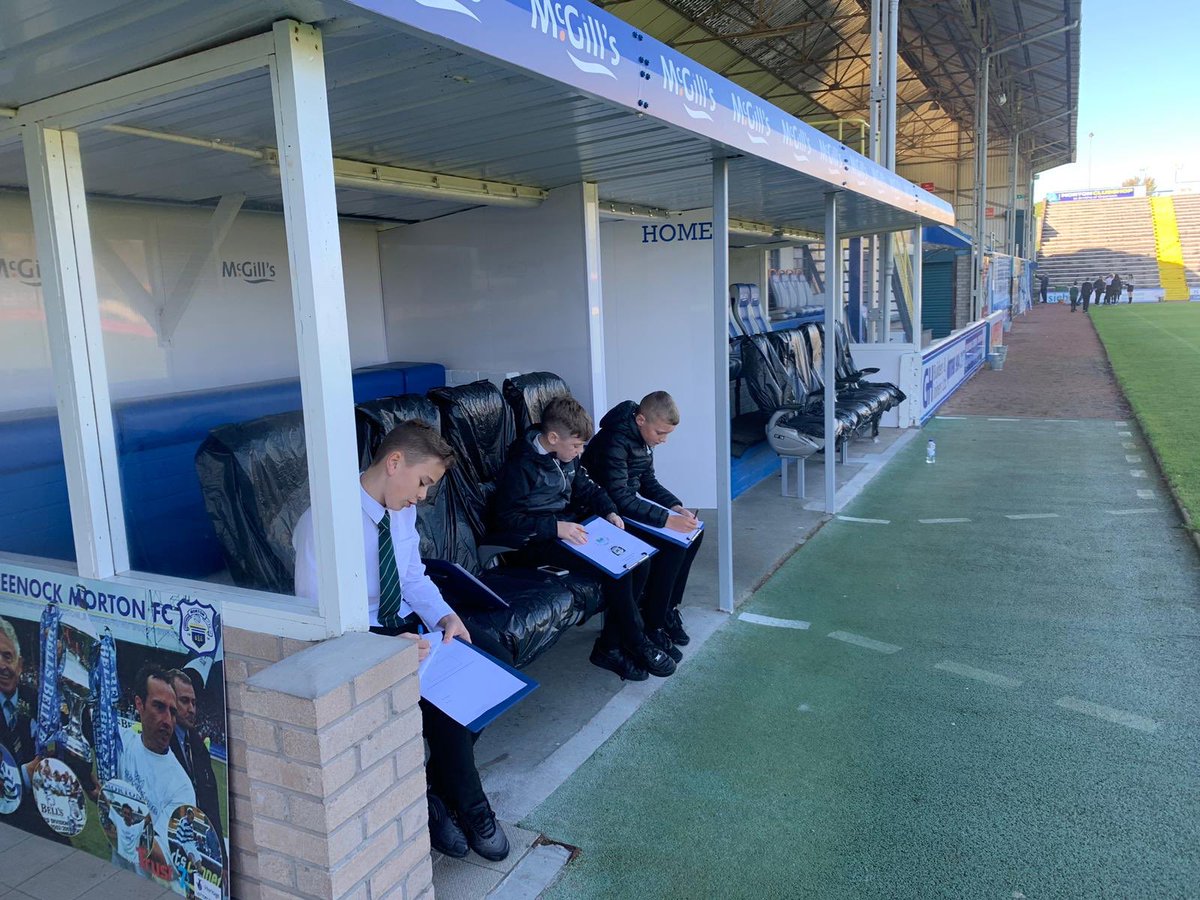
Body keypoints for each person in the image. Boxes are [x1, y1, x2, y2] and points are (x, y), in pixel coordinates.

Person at [293, 420, 509, 862]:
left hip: (403, 619)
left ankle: (434, 791)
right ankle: (471, 806)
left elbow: (411, 576)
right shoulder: (326, 519)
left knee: (494, 658)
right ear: (394, 462)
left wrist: (446, 616)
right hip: (359, 633)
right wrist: (385, 648)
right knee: (446, 701)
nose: (423, 496)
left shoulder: (400, 508)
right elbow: (315, 613)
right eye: (423, 482)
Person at [490, 397, 673, 682]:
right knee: (617, 569)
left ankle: (611, 646)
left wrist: (610, 511)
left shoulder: (567, 457)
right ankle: (636, 641)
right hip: (531, 543)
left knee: (639, 560)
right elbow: (505, 520)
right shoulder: (520, 466)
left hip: (566, 528)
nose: (580, 452)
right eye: (576, 446)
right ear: (553, 438)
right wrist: (555, 527)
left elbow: (588, 488)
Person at [582, 392, 703, 657]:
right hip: (604, 515)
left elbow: (647, 482)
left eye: (667, 434)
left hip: (623, 509)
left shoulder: (643, 438)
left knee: (693, 534)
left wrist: (675, 507)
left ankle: (667, 609)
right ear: (640, 420)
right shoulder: (614, 441)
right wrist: (666, 520)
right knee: (673, 547)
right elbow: (620, 498)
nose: (663, 440)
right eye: (660, 433)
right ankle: (653, 624)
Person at [116, 666, 196, 869]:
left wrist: (117, 810)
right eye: (159, 707)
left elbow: (163, 855)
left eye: (172, 712)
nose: (168, 720)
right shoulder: (123, 742)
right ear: (139, 704)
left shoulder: (182, 787)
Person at [0, 618, 69, 843]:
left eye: (7, 656)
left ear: (20, 664)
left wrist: (57, 668)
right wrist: (25, 775)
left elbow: (64, 727)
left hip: (42, 814)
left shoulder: (35, 699)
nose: (2, 665)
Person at [167, 669, 223, 856]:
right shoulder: (161, 744)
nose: (191, 709)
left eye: (194, 702)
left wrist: (221, 855)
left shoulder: (198, 747)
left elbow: (212, 806)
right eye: (184, 701)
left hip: (199, 843)